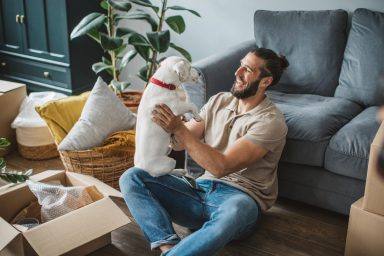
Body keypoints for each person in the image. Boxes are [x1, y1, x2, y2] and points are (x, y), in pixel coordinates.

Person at [119, 48, 289, 256]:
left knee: (236, 211)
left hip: (239, 198)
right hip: (198, 191)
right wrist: (166, 122)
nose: (237, 72)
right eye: (240, 64)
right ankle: (169, 247)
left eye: (247, 69)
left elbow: (221, 167)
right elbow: (180, 143)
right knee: (132, 177)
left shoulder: (270, 122)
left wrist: (179, 128)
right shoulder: (220, 101)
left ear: (265, 81)